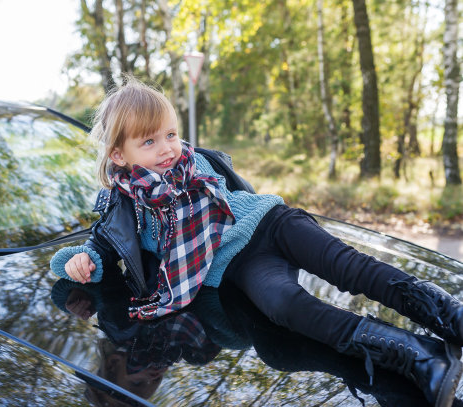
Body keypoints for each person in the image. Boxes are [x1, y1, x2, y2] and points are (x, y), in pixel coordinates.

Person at [50, 77, 463, 407]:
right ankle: (417, 355)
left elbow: (235, 188)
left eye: (171, 134)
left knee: (349, 266)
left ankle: (448, 314)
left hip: (271, 221)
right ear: (118, 156)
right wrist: (75, 262)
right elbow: (99, 252)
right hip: (240, 265)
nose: (168, 148)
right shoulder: (123, 210)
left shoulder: (196, 162)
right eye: (149, 141)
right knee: (285, 308)